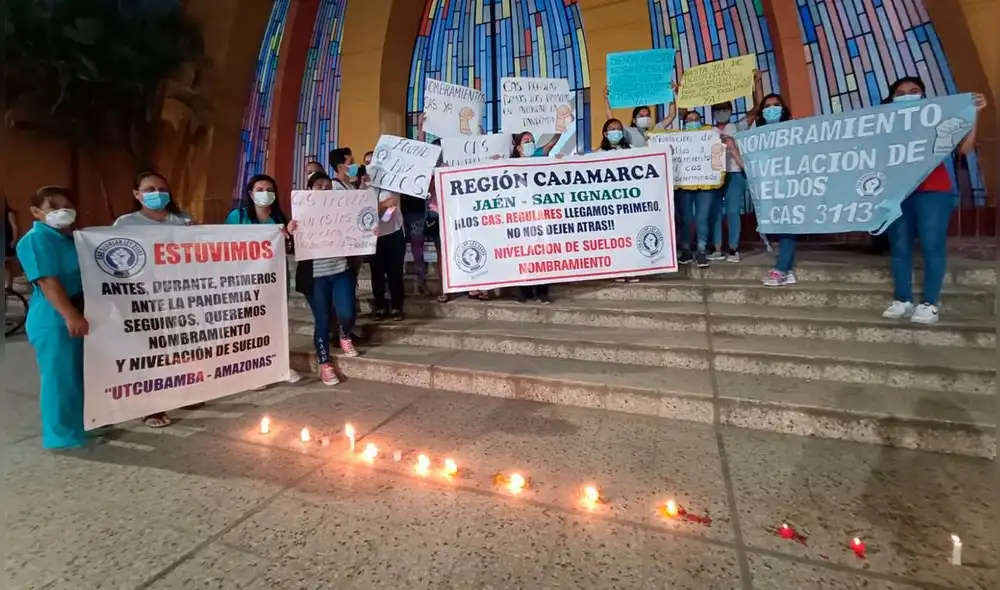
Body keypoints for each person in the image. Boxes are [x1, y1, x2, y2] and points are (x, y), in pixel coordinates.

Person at [880, 77, 987, 324]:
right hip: (898, 193)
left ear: (924, 95)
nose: (908, 95)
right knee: (900, 247)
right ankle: (903, 299)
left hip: (934, 191)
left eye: (914, 91)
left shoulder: (938, 119)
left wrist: (974, 116)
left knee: (931, 244)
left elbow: (962, 149)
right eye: (901, 92)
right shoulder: (885, 125)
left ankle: (929, 304)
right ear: (893, 98)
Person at [114, 172, 195, 427]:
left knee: (182, 350)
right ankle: (152, 407)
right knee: (152, 354)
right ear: (137, 194)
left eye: (162, 188)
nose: (157, 193)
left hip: (181, 298)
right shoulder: (125, 224)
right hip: (144, 300)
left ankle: (186, 392)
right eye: (149, 189)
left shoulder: (183, 221)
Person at [17, 186, 88, 449]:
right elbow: (47, 281)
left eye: (67, 205)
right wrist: (70, 315)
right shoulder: (36, 240)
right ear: (37, 212)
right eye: (53, 207)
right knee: (60, 380)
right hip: (55, 318)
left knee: (77, 377)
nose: (63, 211)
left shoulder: (70, 238)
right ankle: (61, 438)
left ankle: (79, 427)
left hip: (78, 312)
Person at [225, 173, 303, 384]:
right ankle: (251, 370)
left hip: (275, 279)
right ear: (250, 194)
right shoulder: (237, 217)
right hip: (245, 280)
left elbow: (289, 248)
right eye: (260, 190)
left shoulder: (280, 219)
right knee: (248, 324)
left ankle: (279, 365)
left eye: (269, 190)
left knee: (275, 322)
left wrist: (290, 235)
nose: (265, 194)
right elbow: (224, 245)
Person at [287, 171, 360, 386]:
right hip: (315, 277)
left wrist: (367, 232)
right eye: (318, 185)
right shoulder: (299, 213)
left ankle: (344, 334)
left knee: (347, 313)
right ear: (309, 189)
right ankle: (324, 364)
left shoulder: (343, 210)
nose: (324, 189)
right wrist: (290, 232)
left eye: (327, 185)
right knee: (323, 319)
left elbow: (358, 231)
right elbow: (289, 247)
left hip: (340, 270)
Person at [707, 71, 763, 263]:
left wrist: (756, 84)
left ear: (730, 111)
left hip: (734, 174)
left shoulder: (737, 127)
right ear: (713, 112)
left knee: (732, 211)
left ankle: (732, 248)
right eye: (717, 109)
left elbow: (756, 110)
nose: (721, 112)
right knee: (714, 212)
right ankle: (716, 248)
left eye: (724, 109)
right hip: (713, 176)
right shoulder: (707, 130)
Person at [749, 93, 798, 287]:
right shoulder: (757, 135)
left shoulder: (794, 128)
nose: (771, 109)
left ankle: (781, 269)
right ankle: (788, 269)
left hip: (791, 185)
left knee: (788, 226)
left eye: (776, 105)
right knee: (778, 226)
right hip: (769, 187)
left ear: (783, 108)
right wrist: (734, 149)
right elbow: (750, 162)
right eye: (767, 106)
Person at [511, 132, 561, 303]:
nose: (530, 143)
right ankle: (525, 291)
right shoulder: (509, 165)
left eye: (532, 140)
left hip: (540, 216)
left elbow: (553, 143)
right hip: (519, 217)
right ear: (518, 147)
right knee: (522, 254)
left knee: (542, 253)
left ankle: (542, 290)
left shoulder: (541, 161)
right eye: (526, 141)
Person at [674, 110, 715, 268]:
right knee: (685, 219)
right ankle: (686, 249)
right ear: (684, 124)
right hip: (683, 184)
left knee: (702, 218)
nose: (692, 121)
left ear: (701, 122)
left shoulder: (711, 136)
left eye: (696, 119)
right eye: (689, 119)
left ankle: (701, 251)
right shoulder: (676, 139)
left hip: (706, 183)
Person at [370, 184, 407, 320]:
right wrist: (383, 205)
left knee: (395, 272)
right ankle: (380, 306)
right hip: (374, 236)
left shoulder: (392, 184)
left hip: (394, 233)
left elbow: (392, 206)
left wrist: (383, 207)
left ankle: (397, 306)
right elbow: (364, 211)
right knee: (377, 272)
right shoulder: (365, 188)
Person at [603, 87, 677, 148]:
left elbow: (672, 115)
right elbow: (611, 118)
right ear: (634, 120)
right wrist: (606, 98)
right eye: (641, 116)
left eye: (647, 115)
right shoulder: (629, 132)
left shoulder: (655, 129)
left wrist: (671, 94)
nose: (645, 118)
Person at [5, 199, 19, 291]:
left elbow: (15, 227)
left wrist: (14, 239)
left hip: (6, 240)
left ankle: (8, 285)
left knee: (6, 264)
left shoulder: (9, 214)